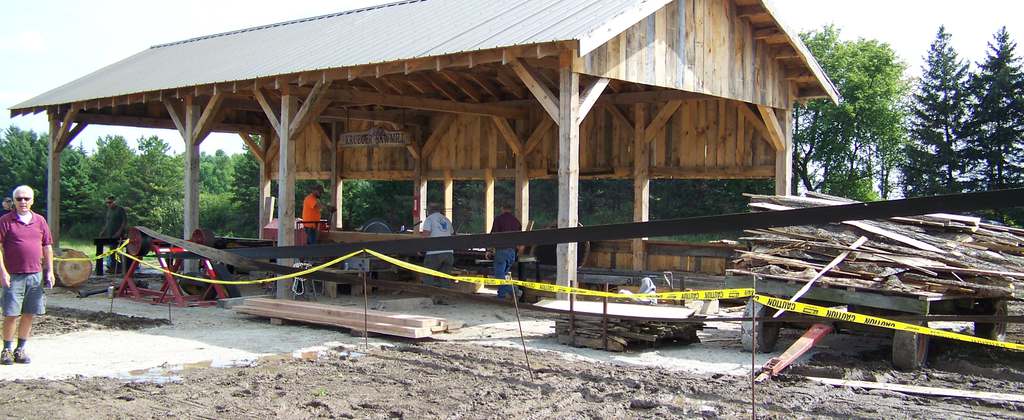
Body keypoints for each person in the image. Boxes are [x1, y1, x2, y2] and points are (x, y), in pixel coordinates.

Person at [0, 185, 54, 365]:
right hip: (13, 275)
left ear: (32, 201)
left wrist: (50, 270)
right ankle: (6, 349)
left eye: (26, 198)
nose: (23, 202)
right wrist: (2, 272)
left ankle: (20, 349)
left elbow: (47, 246)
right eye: (19, 199)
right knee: (11, 314)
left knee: (29, 313)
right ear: (14, 201)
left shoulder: (40, 221)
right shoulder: (5, 221)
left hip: (35, 275)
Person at [420, 203, 454, 302]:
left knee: (428, 275)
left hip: (434, 252)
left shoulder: (429, 219)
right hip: (448, 252)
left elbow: (425, 235)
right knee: (445, 277)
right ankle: (444, 299)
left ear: (429, 210)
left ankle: (429, 299)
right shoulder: (447, 220)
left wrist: (419, 248)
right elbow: (451, 234)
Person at [490, 203, 522, 299]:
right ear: (511, 210)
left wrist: (489, 250)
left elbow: (493, 235)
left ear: (502, 208)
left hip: (502, 251)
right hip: (512, 252)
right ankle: (501, 296)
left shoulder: (498, 219)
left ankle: (515, 290)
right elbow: (520, 238)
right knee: (503, 275)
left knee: (499, 276)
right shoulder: (516, 222)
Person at [98, 195, 128, 271]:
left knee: (118, 251)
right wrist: (103, 232)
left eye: (110, 202)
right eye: (107, 203)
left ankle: (120, 268)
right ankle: (113, 267)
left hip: (119, 234)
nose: (108, 204)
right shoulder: (109, 211)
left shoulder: (120, 209)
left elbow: (124, 222)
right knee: (112, 251)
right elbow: (107, 223)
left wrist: (119, 232)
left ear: (114, 201)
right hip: (110, 233)